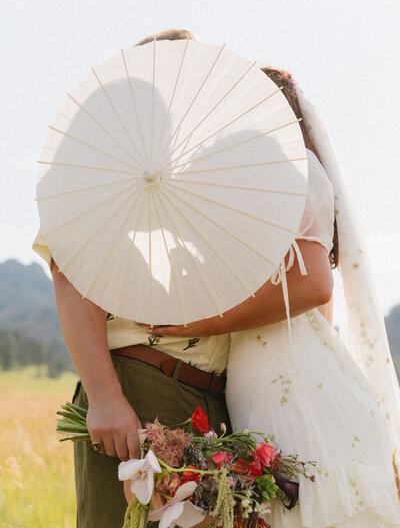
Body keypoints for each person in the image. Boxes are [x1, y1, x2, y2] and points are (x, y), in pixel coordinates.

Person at [150, 68, 400, 527]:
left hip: (294, 376)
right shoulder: (249, 187)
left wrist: (202, 323)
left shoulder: (295, 173)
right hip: (261, 372)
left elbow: (316, 287)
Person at [32, 28, 232, 528]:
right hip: (137, 390)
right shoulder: (95, 165)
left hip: (211, 399)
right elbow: (72, 272)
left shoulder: (182, 176)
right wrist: (104, 395)